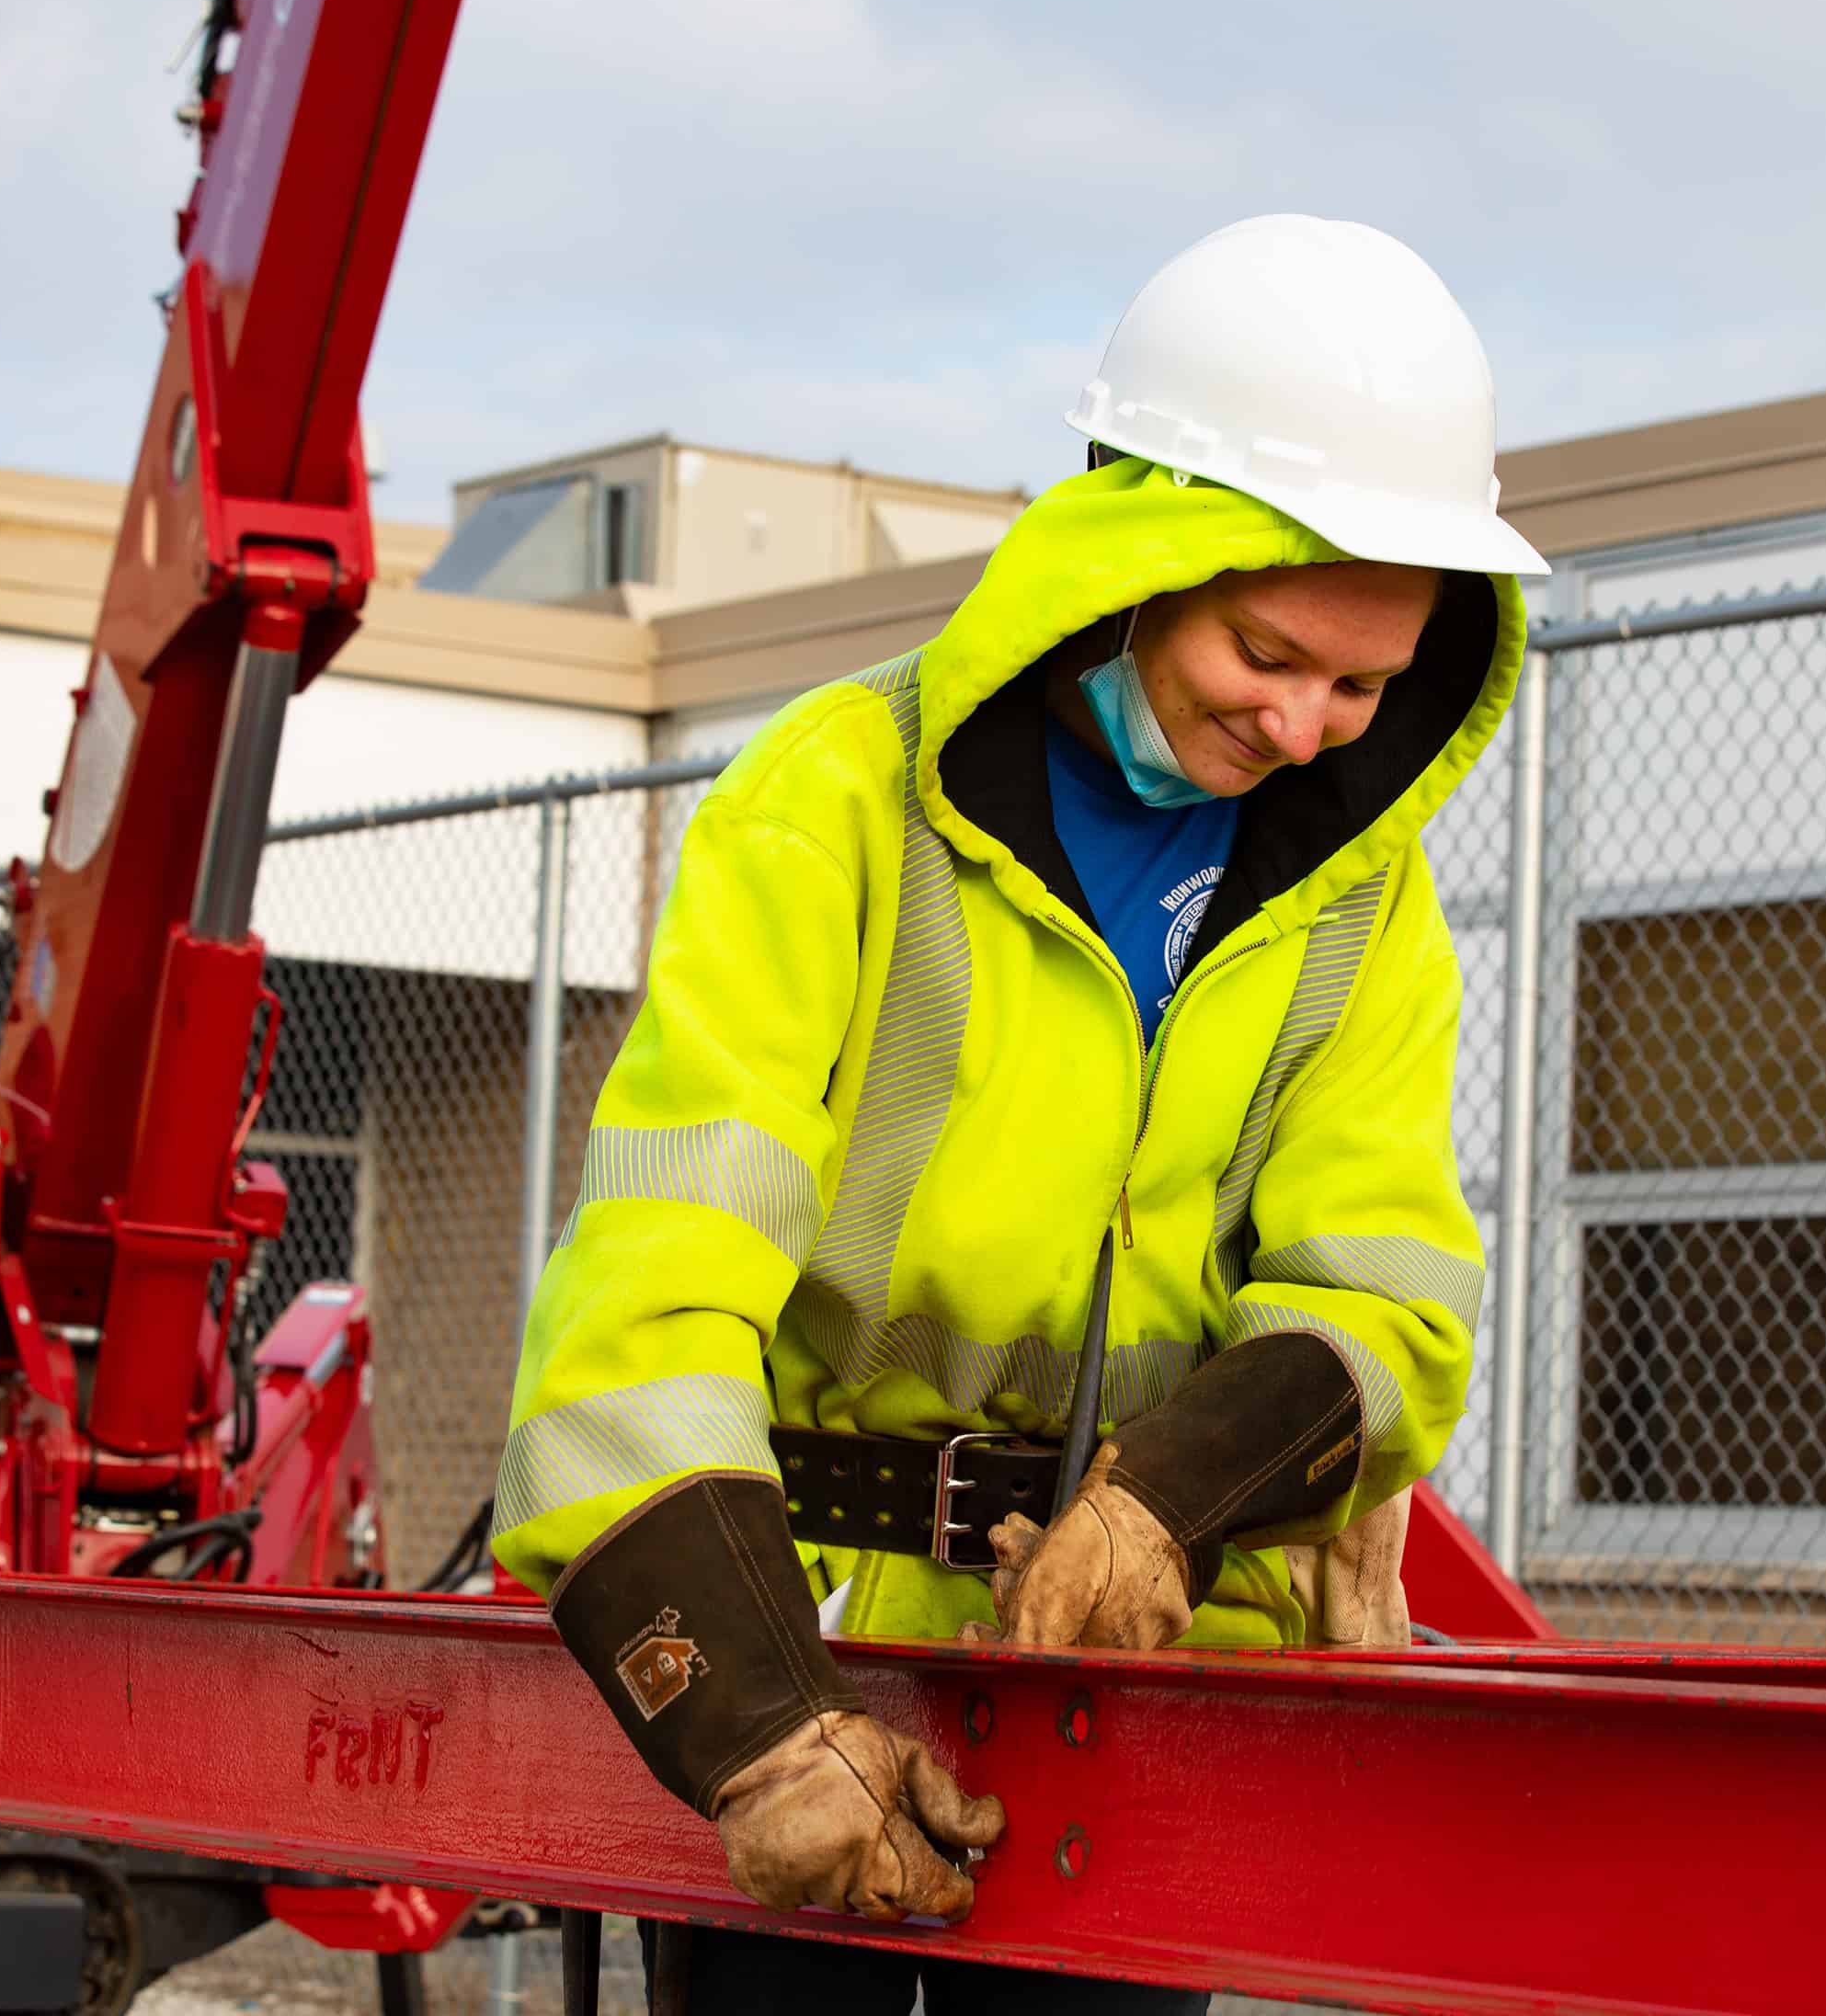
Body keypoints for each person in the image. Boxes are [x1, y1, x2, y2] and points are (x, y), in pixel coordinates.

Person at [491, 212, 1545, 2012]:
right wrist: (749, 1718)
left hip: (1143, 1683)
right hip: (810, 1643)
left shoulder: (1370, 901)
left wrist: (1171, 1501)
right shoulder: (828, 810)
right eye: (1268, 651)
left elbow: (1384, 1301)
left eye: (1364, 684)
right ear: (1135, 561)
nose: (1305, 726)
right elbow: (653, 1299)